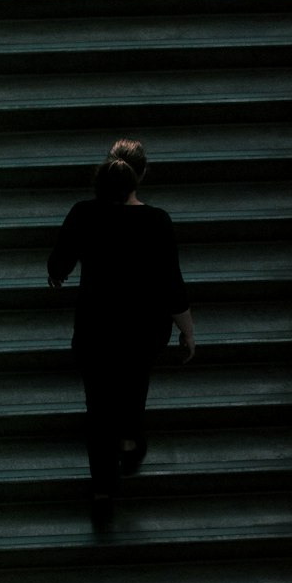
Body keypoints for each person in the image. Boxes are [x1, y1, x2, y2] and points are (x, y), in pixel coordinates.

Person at [47, 140, 195, 521]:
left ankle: (101, 491)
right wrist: (188, 331)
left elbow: (58, 262)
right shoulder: (157, 221)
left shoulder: (83, 214)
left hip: (96, 330)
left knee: (97, 408)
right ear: (139, 176)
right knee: (134, 383)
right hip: (143, 331)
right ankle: (129, 438)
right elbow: (171, 283)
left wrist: (58, 275)